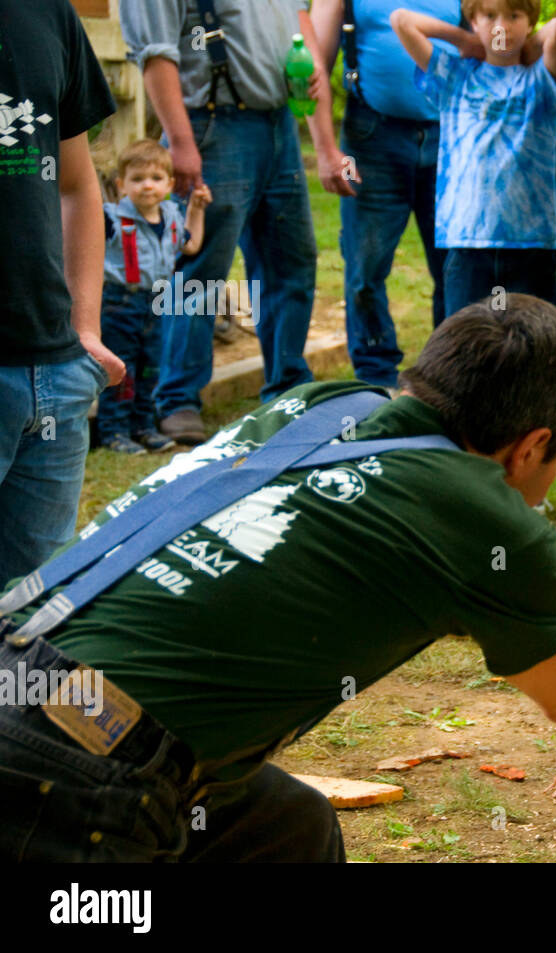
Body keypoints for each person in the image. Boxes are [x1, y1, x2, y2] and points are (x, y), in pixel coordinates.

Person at [0, 294, 556, 862]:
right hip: (65, 776)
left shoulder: (322, 407)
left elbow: (442, 572)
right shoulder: (481, 508)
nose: (548, 485)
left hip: (21, 674)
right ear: (532, 445)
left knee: (286, 831)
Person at [121, 0, 338, 445]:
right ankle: (176, 398)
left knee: (291, 263)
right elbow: (155, 54)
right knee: (198, 270)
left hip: (279, 124)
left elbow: (299, 22)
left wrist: (312, 67)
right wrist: (180, 143)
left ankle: (288, 388)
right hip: (212, 124)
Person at [0, 0, 120, 586]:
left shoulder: (47, 11)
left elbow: (75, 181)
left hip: (52, 372)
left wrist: (86, 330)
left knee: (33, 620)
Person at [309, 0, 460, 389]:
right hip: (369, 137)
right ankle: (374, 376)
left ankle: (450, 373)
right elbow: (313, 68)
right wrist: (327, 151)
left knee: (454, 265)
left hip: (454, 136)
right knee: (365, 266)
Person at [391, 0, 556, 318]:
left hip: (530, 244)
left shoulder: (539, 81)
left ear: (530, 22)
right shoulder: (454, 77)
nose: (501, 26)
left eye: (514, 16)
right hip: (467, 243)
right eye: (489, 16)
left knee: (534, 348)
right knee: (467, 347)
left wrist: (532, 45)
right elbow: (401, 20)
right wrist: (462, 39)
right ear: (473, 21)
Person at [100, 141, 213, 455]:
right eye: (137, 179)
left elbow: (190, 246)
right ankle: (114, 430)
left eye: (155, 178)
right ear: (121, 185)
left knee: (151, 366)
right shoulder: (110, 219)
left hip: (157, 302)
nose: (147, 185)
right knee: (122, 367)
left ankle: (144, 426)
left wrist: (196, 210)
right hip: (120, 303)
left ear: (169, 184)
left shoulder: (172, 217)